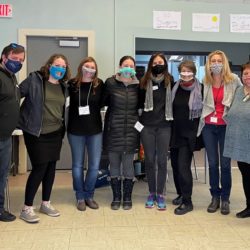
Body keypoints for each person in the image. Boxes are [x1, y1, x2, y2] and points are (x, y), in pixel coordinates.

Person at [18, 54, 71, 223]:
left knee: (50, 169)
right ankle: (27, 208)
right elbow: (15, 95)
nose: (60, 69)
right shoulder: (35, 79)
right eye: (57, 65)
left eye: (63, 66)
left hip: (55, 133)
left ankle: (45, 203)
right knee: (40, 168)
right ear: (49, 65)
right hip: (35, 133)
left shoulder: (64, 86)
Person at [197, 50, 241, 215]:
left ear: (224, 62)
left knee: (225, 164)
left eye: (219, 60)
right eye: (213, 61)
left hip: (226, 126)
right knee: (213, 164)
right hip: (209, 126)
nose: (216, 63)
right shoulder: (205, 80)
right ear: (209, 64)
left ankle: (225, 198)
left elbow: (242, 97)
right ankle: (214, 196)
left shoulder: (234, 80)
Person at [103, 55, 139, 210]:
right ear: (119, 66)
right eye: (125, 65)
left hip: (132, 130)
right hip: (113, 130)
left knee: (128, 165)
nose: (128, 68)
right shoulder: (110, 83)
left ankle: (127, 197)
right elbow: (103, 102)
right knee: (114, 165)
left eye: (131, 66)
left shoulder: (139, 85)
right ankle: (116, 197)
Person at [67, 57, 104, 211]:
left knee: (94, 166)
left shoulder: (99, 84)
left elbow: (104, 102)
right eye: (86, 66)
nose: (89, 69)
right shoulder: (71, 84)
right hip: (75, 131)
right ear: (81, 67)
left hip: (95, 130)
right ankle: (80, 196)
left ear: (96, 70)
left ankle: (89, 195)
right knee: (77, 165)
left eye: (92, 67)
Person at [139, 52, 173, 210]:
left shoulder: (169, 80)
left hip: (165, 126)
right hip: (147, 127)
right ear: (150, 64)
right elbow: (139, 105)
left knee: (161, 161)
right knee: (150, 161)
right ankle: (151, 192)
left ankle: (161, 194)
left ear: (165, 64)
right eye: (155, 62)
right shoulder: (144, 81)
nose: (157, 65)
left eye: (160, 62)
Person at [170, 60, 203, 215]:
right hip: (175, 133)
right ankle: (181, 194)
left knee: (183, 168)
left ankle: (188, 202)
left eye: (189, 71)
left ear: (194, 72)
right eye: (183, 70)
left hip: (189, 135)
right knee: (175, 167)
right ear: (179, 72)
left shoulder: (200, 89)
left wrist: (196, 134)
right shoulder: (175, 87)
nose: (186, 73)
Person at [0, 43, 25, 222]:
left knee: (2, 174)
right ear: (4, 57)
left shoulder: (11, 77)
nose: (18, 63)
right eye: (15, 59)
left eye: (21, 60)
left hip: (5, 136)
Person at [223, 62, 250, 218]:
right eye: (246, 74)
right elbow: (231, 111)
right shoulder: (239, 91)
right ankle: (249, 206)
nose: (248, 76)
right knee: (246, 175)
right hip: (241, 142)